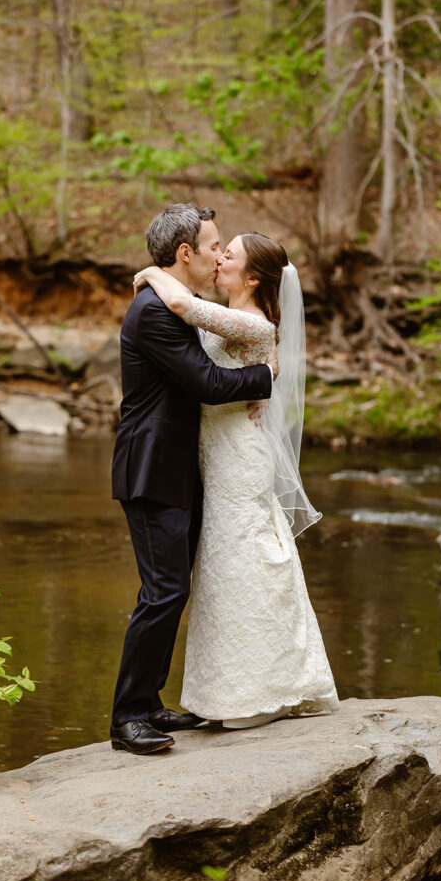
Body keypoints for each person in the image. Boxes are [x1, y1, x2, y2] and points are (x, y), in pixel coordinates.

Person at [136, 231, 339, 729]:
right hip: (215, 455)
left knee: (244, 566)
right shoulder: (230, 316)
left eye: (229, 255)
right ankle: (236, 689)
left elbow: (182, 303)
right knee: (224, 571)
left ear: (250, 278)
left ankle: (259, 694)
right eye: (219, 250)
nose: (219, 258)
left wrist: (149, 272)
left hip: (238, 460)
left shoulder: (253, 324)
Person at [110, 204, 275, 755]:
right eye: (212, 246)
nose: (218, 254)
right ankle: (128, 716)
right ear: (186, 253)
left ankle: (150, 702)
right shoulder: (154, 312)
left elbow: (212, 338)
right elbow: (205, 381)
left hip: (181, 469)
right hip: (152, 470)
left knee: (170, 591)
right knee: (163, 593)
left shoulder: (180, 304)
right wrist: (265, 375)